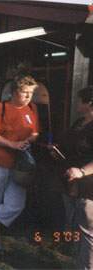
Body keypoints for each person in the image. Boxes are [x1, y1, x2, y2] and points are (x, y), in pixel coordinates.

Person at [0, 74, 39, 253]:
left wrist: (29, 140)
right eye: (24, 93)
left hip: (17, 166)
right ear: (13, 92)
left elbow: (35, 132)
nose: (27, 97)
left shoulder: (31, 109)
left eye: (31, 93)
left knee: (16, 204)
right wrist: (12, 144)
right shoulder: (0, 108)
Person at [52, 86, 93, 269]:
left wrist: (82, 171)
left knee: (88, 233)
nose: (76, 103)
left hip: (88, 187)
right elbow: (68, 146)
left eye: (79, 100)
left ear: (89, 103)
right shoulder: (78, 123)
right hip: (70, 184)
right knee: (76, 228)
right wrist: (56, 150)